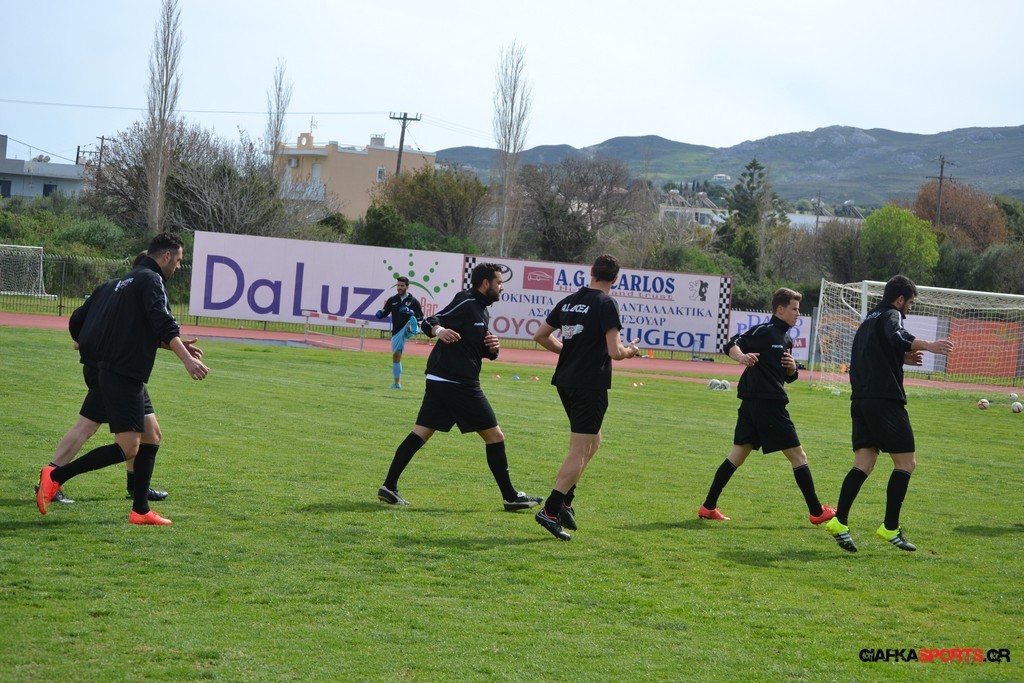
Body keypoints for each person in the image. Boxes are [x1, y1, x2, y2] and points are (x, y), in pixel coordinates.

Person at [36, 233, 210, 525]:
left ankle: (140, 509)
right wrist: (186, 359)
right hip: (122, 372)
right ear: (166, 256)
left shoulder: (115, 284)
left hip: (108, 369)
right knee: (129, 446)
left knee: (151, 434)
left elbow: (79, 320)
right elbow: (164, 323)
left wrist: (81, 341)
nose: (179, 266)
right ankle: (55, 476)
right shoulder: (152, 280)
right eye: (179, 260)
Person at [377, 263, 541, 512]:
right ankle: (510, 497)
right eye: (499, 282)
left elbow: (475, 348)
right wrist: (440, 330)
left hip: (442, 380)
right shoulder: (466, 301)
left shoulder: (482, 309)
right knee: (495, 437)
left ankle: (389, 486)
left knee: (421, 432)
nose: (502, 287)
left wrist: (492, 349)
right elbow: (429, 321)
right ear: (485, 283)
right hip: (457, 382)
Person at [825, 275, 954, 552]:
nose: (909, 308)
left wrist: (902, 358)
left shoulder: (868, 320)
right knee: (906, 463)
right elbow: (897, 335)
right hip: (884, 400)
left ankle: (839, 521)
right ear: (900, 299)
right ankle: (890, 527)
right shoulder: (891, 315)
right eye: (910, 303)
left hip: (860, 401)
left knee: (864, 463)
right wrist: (928, 345)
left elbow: (873, 353)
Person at [696, 288, 836, 526]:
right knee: (799, 456)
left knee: (737, 456)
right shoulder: (765, 331)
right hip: (767, 404)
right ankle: (816, 511)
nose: (798, 314)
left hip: (755, 403)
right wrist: (741, 357)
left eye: (798, 309)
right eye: (794, 309)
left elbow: (789, 377)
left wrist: (792, 369)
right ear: (780, 309)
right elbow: (732, 344)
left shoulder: (786, 339)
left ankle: (708, 507)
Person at [531, 254, 640, 541]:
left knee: (594, 441)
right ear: (615, 278)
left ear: (591, 272)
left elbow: (540, 335)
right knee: (579, 450)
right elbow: (615, 351)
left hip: (566, 381)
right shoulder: (606, 303)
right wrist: (631, 351)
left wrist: (570, 351)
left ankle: (565, 501)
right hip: (589, 384)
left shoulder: (569, 301)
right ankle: (550, 510)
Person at [374, 275, 424, 389]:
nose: (400, 288)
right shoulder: (392, 300)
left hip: (407, 327)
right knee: (396, 357)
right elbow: (385, 311)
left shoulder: (413, 301)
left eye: (402, 286)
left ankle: (412, 328)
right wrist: (380, 314)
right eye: (398, 285)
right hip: (397, 331)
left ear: (407, 287)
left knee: (410, 323)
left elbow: (421, 316)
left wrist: (410, 312)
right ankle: (397, 384)